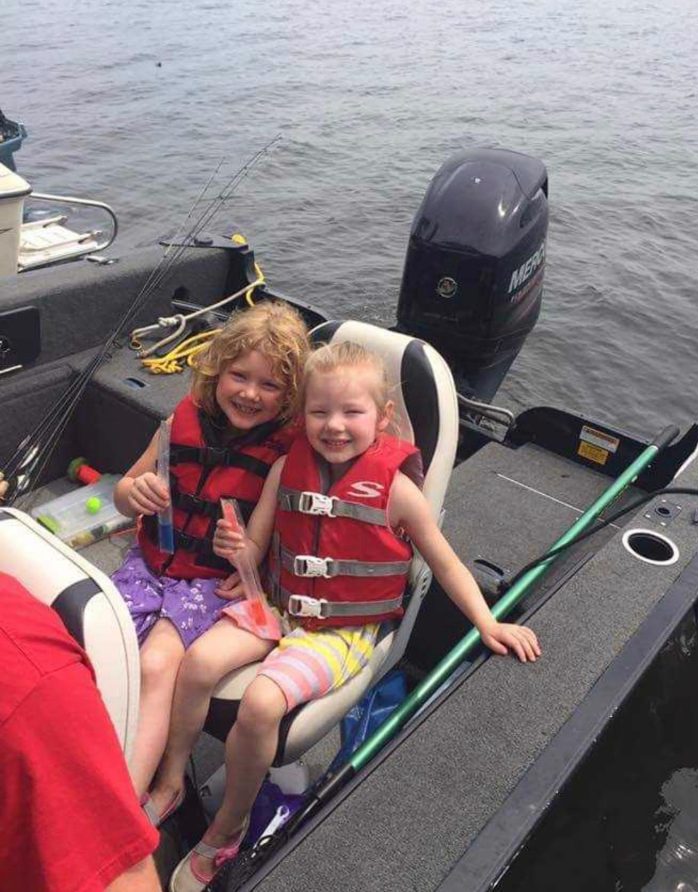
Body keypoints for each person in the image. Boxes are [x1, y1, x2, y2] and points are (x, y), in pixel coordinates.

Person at [160, 340, 541, 891]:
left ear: (383, 419)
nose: (334, 426)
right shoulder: (286, 468)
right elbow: (255, 548)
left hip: (342, 631)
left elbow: (448, 563)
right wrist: (236, 547)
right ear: (303, 414)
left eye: (351, 413)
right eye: (319, 412)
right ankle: (172, 776)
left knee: (262, 703)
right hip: (276, 607)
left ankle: (228, 827)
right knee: (196, 663)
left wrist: (489, 621)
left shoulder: (398, 491)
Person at [111, 301, 310, 810]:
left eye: (269, 386)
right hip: (149, 563)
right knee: (98, 637)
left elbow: (262, 554)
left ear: (289, 397)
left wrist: (240, 550)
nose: (249, 393)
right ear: (217, 370)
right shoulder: (181, 420)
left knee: (158, 663)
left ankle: (124, 800)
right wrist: (134, 494)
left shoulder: (282, 455)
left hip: (205, 585)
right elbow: (125, 489)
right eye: (239, 375)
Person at [0, 572, 161, 892]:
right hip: (148, 580)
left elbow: (124, 878)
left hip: (201, 593)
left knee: (161, 665)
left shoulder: (28, 687)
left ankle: (167, 792)